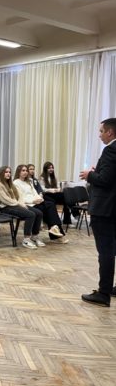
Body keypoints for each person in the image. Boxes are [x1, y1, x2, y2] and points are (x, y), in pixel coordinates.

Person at [79, 118, 116, 307]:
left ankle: (103, 294)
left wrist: (90, 175)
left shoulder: (110, 150)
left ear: (110, 132)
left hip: (105, 209)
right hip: (113, 208)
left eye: (101, 131)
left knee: (106, 251)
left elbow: (105, 180)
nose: (100, 135)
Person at [13, 164, 67, 244]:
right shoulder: (16, 183)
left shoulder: (28, 182)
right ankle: (55, 231)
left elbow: (35, 192)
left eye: (26, 171)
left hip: (36, 201)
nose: (25, 172)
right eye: (23, 171)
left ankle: (54, 228)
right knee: (46, 211)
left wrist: (39, 198)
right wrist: (33, 201)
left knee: (50, 204)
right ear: (18, 172)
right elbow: (20, 198)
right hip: (28, 203)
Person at [0, 166, 41, 249]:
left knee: (39, 213)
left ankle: (35, 236)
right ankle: (26, 239)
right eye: (6, 172)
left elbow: (19, 196)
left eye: (9, 172)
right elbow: (5, 199)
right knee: (31, 214)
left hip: (15, 205)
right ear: (1, 173)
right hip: (6, 207)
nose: (8, 174)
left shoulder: (10, 184)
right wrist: (19, 204)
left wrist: (22, 203)